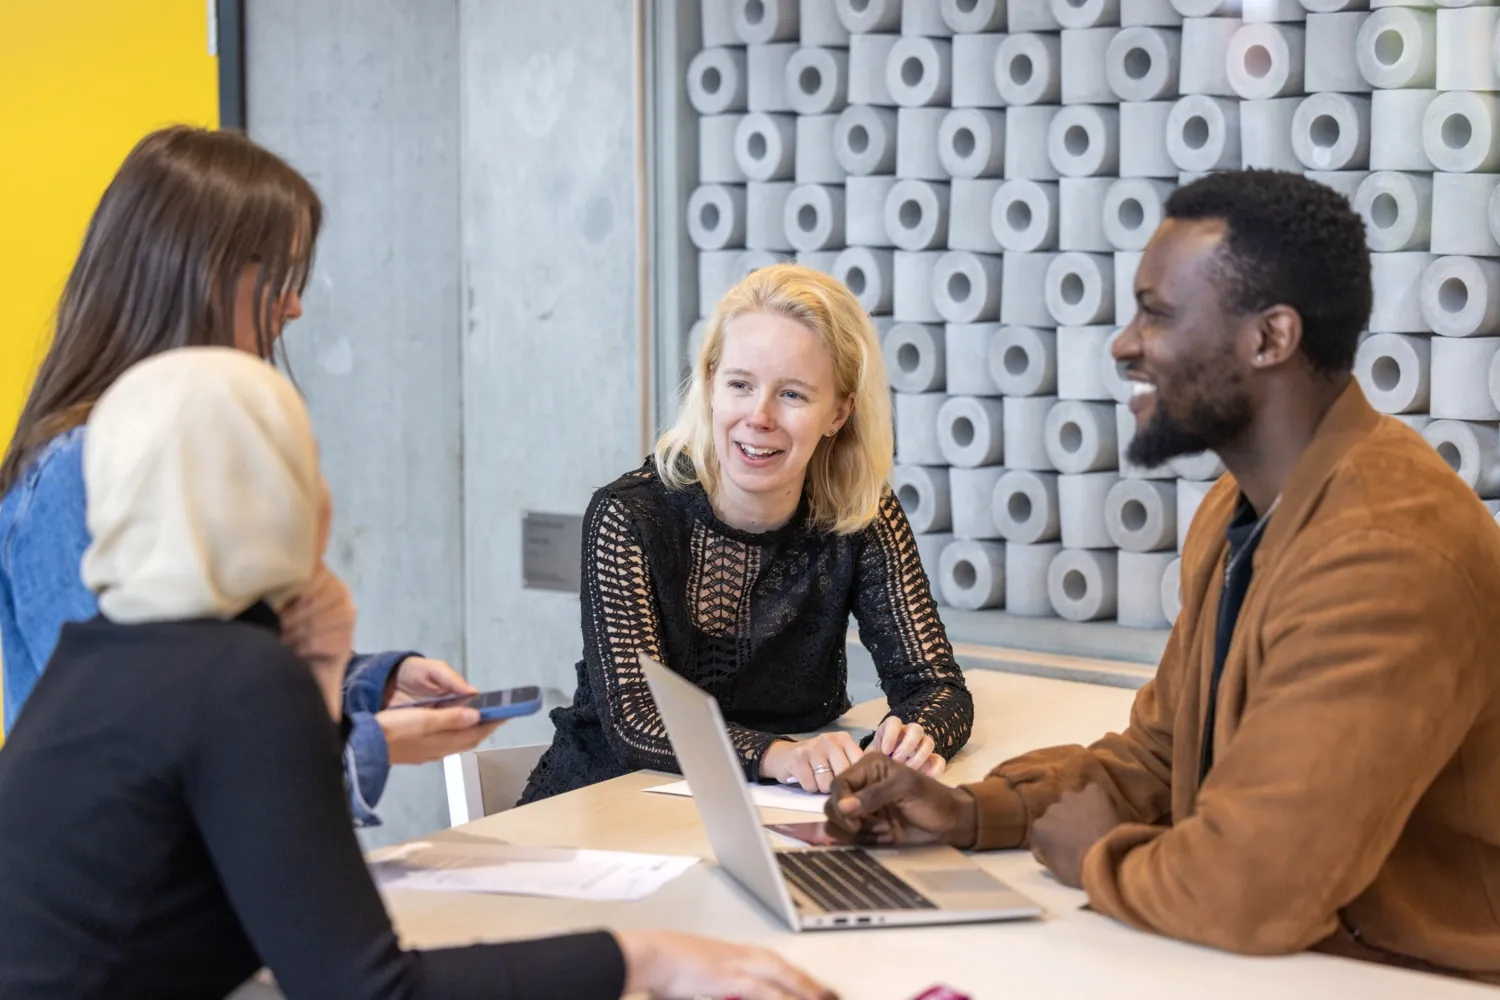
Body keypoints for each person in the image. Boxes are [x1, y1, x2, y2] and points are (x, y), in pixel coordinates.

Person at [821, 171, 1500, 984]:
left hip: (1405, 974)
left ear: (1270, 339)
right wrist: (974, 812)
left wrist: (1100, 858)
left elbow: (1256, 888)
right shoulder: (1238, 509)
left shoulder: (1387, 549)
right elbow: (1161, 758)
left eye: (1158, 313)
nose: (1124, 343)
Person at [0, 347, 835, 1000]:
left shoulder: (100, 653)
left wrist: (322, 666)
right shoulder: (239, 683)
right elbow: (368, 986)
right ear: (272, 496)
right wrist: (645, 956)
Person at [0, 125, 490, 825]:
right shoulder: (79, 469)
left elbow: (213, 672)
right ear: (188, 269)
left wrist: (369, 686)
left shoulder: (166, 451)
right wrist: (363, 745)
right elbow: (135, 748)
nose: (293, 308)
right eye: (277, 276)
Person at [521, 264, 973, 804]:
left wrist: (914, 736)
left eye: (793, 395)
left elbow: (936, 685)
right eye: (740, 384)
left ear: (839, 413)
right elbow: (636, 718)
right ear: (711, 385)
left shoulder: (862, 514)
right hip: (610, 802)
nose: (759, 417)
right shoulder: (629, 516)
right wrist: (777, 756)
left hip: (779, 810)